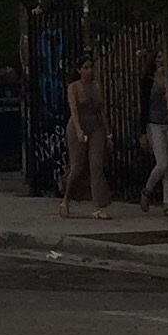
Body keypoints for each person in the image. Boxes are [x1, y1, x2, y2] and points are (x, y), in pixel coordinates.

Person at [58, 52, 110, 219]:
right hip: (78, 125)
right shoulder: (74, 87)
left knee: (96, 164)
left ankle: (97, 206)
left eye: (91, 67)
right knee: (77, 166)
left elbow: (102, 110)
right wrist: (79, 130)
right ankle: (66, 199)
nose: (89, 71)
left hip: (96, 126)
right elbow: (73, 109)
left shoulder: (96, 86)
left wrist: (108, 133)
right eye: (85, 68)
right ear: (79, 70)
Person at [139, 51, 168, 217]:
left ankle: (167, 204)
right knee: (162, 163)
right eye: (158, 57)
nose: (161, 61)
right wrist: (142, 132)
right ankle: (147, 190)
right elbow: (144, 107)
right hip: (154, 124)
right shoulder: (148, 81)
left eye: (164, 57)